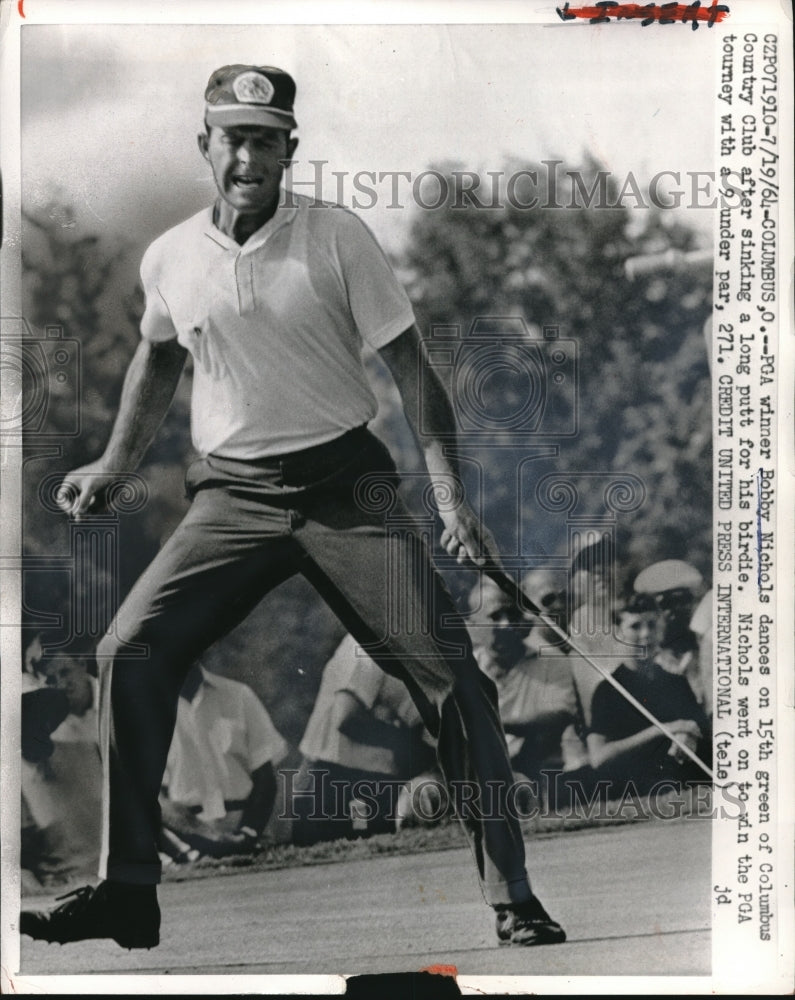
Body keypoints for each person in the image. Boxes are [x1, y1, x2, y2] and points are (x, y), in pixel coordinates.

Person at [22, 65, 564, 950]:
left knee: (451, 679)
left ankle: (513, 895)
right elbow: (157, 356)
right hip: (230, 493)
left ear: (288, 151)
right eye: (232, 137)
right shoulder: (169, 256)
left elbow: (410, 367)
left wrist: (450, 494)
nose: (248, 155)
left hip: (345, 489)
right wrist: (115, 460)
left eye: (266, 139)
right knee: (130, 649)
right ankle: (127, 892)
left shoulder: (336, 238)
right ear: (206, 147)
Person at [293, 633, 436, 843]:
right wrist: (411, 744)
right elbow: (347, 718)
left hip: (376, 782)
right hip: (331, 778)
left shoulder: (413, 652)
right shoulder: (367, 642)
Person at [158, 662, 287, 859]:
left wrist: (248, 833)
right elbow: (156, 798)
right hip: (188, 844)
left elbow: (266, 779)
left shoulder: (239, 695)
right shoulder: (148, 712)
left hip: (250, 835)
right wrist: (192, 845)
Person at [586, 593, 711, 796]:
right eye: (635, 627)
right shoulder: (608, 691)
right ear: (618, 632)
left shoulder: (675, 682)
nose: (645, 634)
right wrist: (662, 730)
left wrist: (687, 736)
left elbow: (700, 729)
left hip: (681, 781)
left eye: (652, 625)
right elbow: (598, 757)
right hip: (635, 786)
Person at [21, 655, 103, 887]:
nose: (33, 723)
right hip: (62, 893)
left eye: (38, 712)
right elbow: (17, 867)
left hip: (116, 880)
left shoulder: (89, 751)